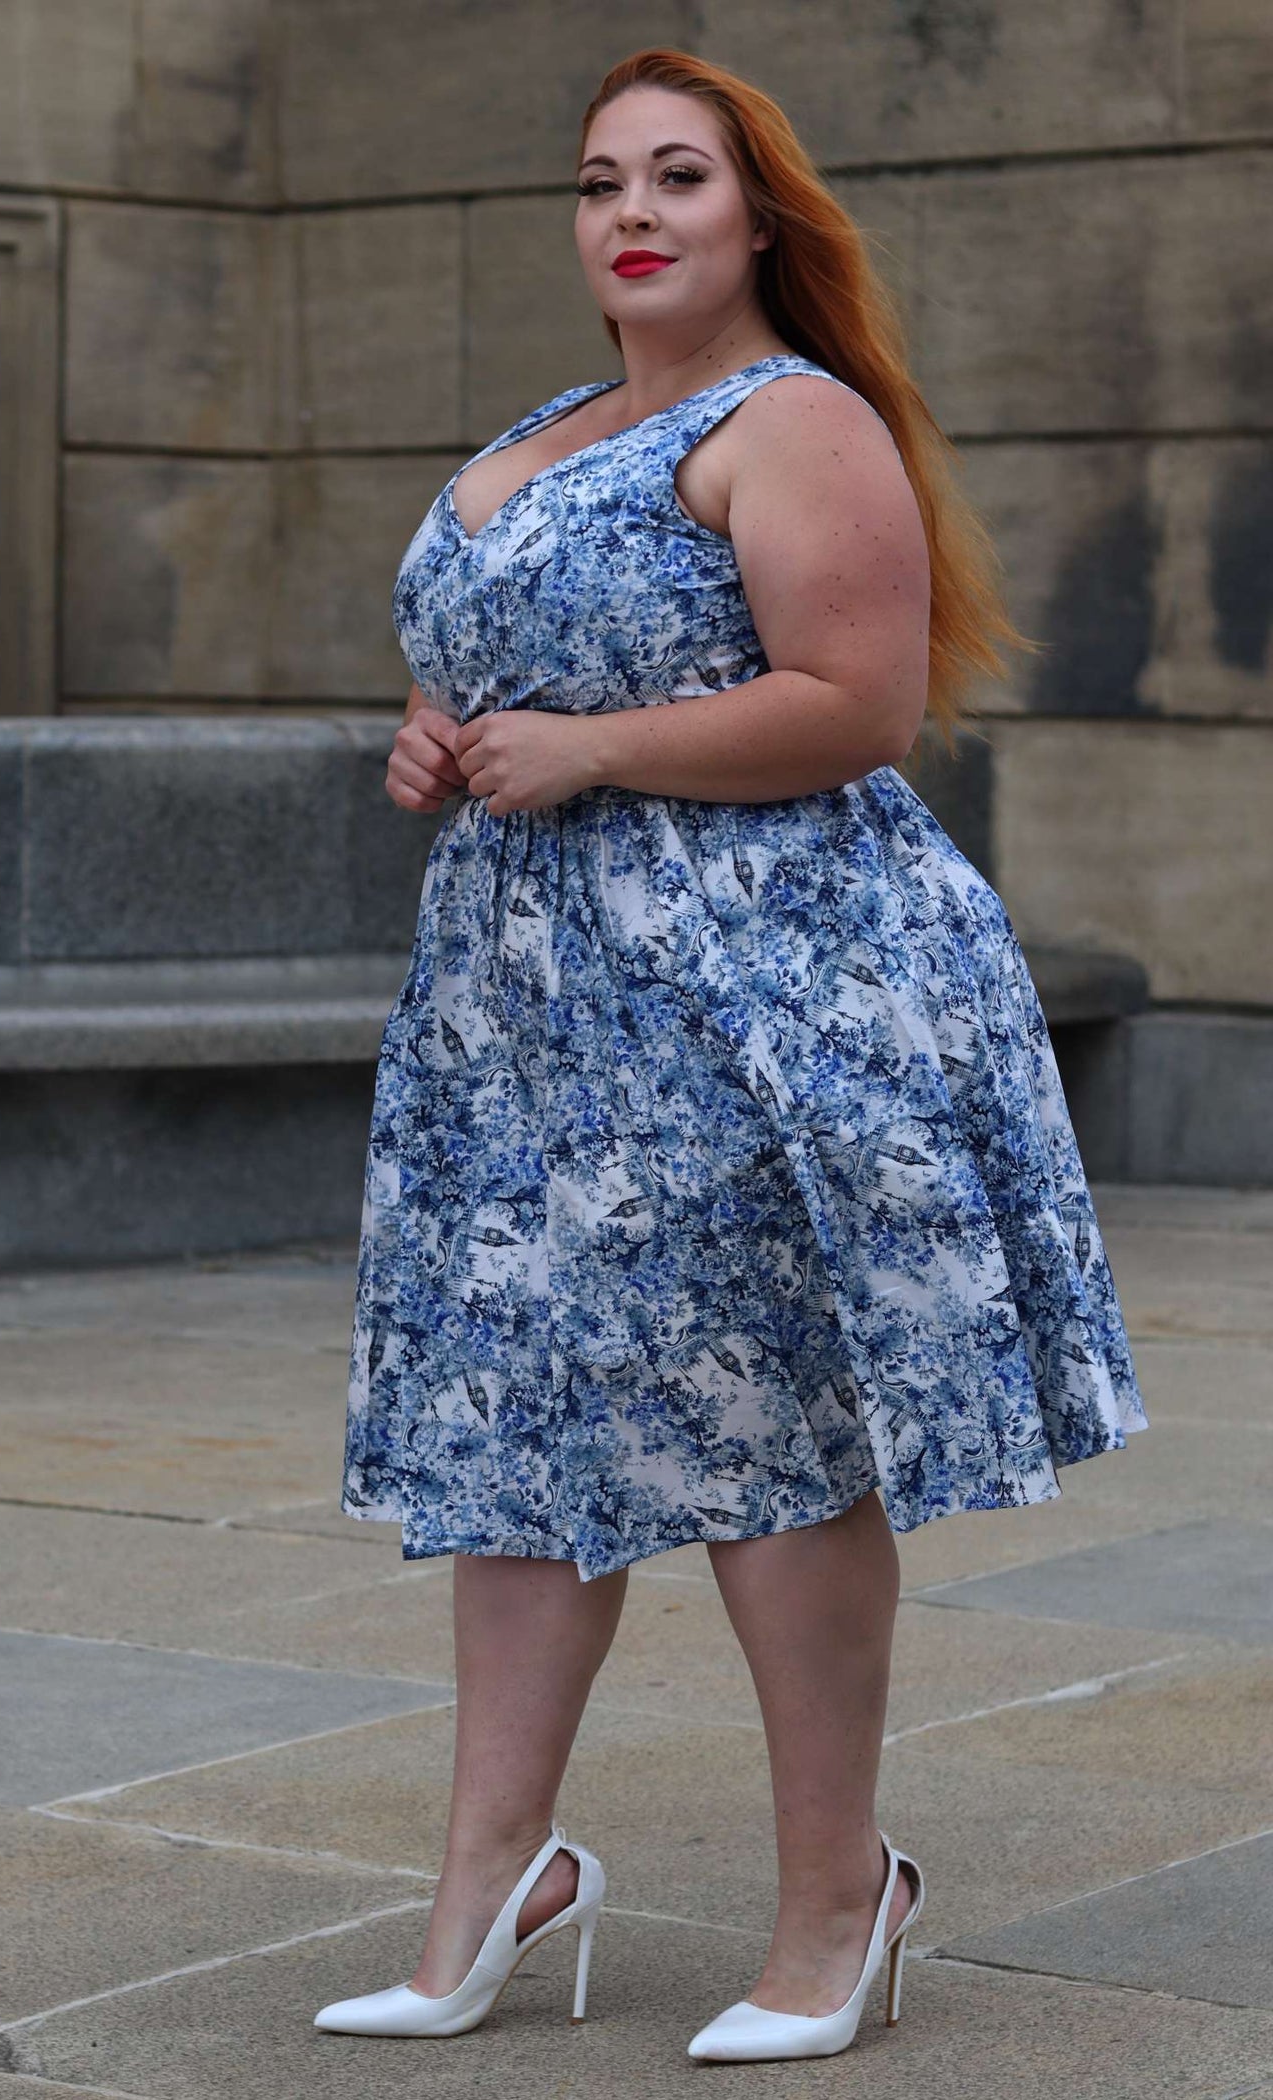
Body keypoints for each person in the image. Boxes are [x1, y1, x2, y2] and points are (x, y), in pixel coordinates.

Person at [315, 44, 1150, 2064]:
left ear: (755, 213)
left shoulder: (795, 421)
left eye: (678, 175)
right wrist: (443, 733)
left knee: (765, 1435)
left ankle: (833, 1904)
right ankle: (485, 1890)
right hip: (525, 1013)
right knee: (508, 1446)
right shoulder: (548, 432)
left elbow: (854, 704)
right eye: (601, 175)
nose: (632, 209)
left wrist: (586, 748)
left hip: (754, 994)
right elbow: (503, 665)